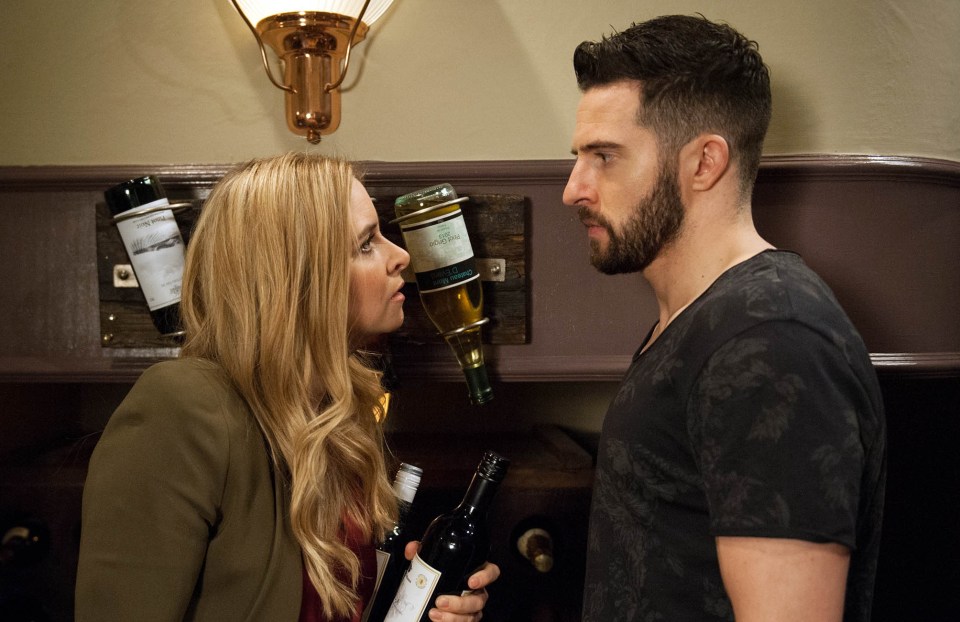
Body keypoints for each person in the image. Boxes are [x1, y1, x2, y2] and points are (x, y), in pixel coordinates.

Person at [76, 153, 499, 621]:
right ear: (297, 279)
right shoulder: (181, 405)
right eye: (365, 244)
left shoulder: (339, 412)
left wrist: (417, 603)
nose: (401, 256)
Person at [562, 14, 886, 622]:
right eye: (579, 157)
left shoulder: (770, 337)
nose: (573, 187)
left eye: (605, 156)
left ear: (705, 163)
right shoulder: (709, 320)